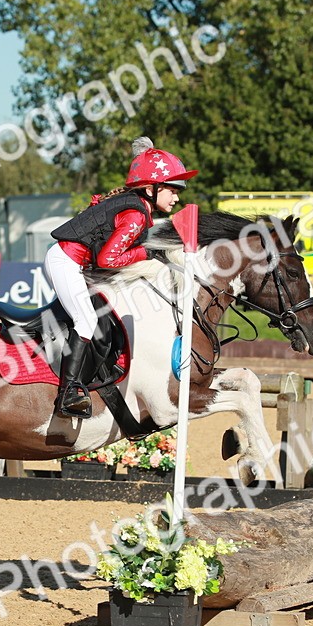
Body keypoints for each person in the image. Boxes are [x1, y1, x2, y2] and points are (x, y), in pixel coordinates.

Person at [44, 137, 197, 418]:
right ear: (151, 188)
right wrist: (148, 255)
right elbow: (108, 259)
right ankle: (68, 393)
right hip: (66, 261)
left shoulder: (137, 207)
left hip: (75, 263)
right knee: (87, 320)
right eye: (173, 190)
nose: (177, 197)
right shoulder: (136, 214)